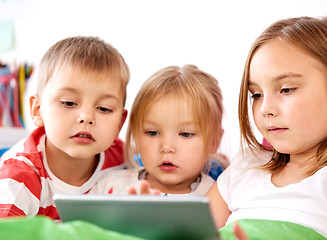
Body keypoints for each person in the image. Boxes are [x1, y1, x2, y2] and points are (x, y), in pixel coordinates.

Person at [206, 16, 327, 240]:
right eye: (256, 95)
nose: (265, 109)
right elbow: (185, 231)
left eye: (286, 89)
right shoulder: (246, 165)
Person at [0, 36, 129, 220]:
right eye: (69, 103)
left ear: (119, 123)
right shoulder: (18, 179)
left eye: (104, 108)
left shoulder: (122, 160)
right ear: (38, 110)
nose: (86, 118)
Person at [90, 65, 225, 195]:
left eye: (185, 134)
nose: (166, 147)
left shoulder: (218, 195)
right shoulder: (111, 184)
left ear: (215, 141)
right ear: (136, 136)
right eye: (152, 133)